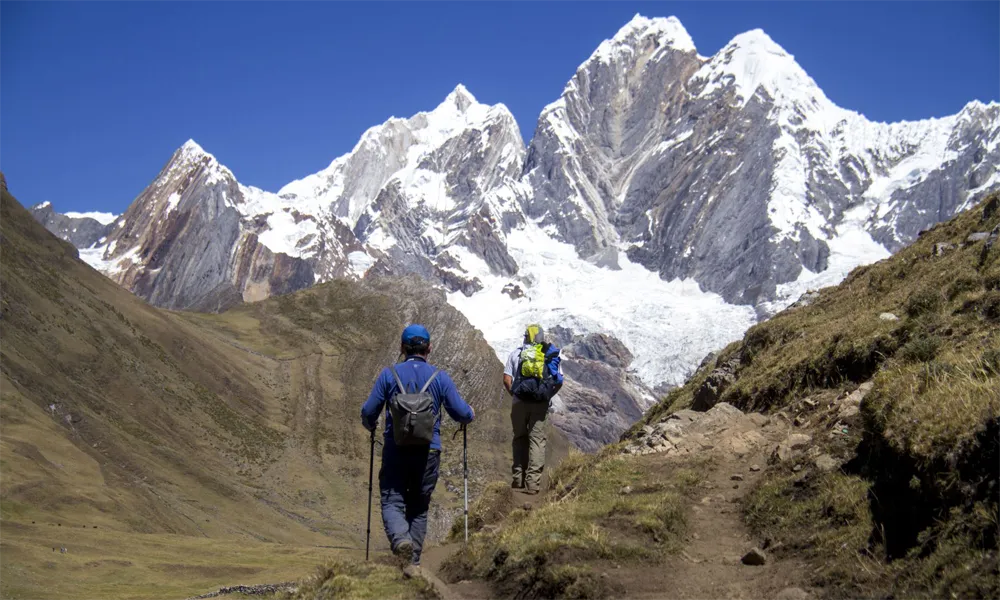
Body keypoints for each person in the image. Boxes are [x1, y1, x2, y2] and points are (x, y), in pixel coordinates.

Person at [361, 324, 475, 566]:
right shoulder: (439, 377)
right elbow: (461, 413)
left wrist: (370, 425)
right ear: (429, 348)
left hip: (395, 449)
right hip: (428, 452)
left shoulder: (388, 375)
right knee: (419, 508)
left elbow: (368, 411)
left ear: (402, 348)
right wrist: (470, 414)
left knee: (392, 501)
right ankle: (412, 564)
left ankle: (401, 540)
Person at [503, 324, 563, 494]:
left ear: (526, 337)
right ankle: (533, 484)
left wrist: (515, 395)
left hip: (519, 403)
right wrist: (546, 396)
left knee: (519, 437)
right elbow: (559, 381)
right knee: (537, 441)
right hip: (540, 405)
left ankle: (518, 479)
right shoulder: (549, 355)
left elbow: (507, 379)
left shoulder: (516, 354)